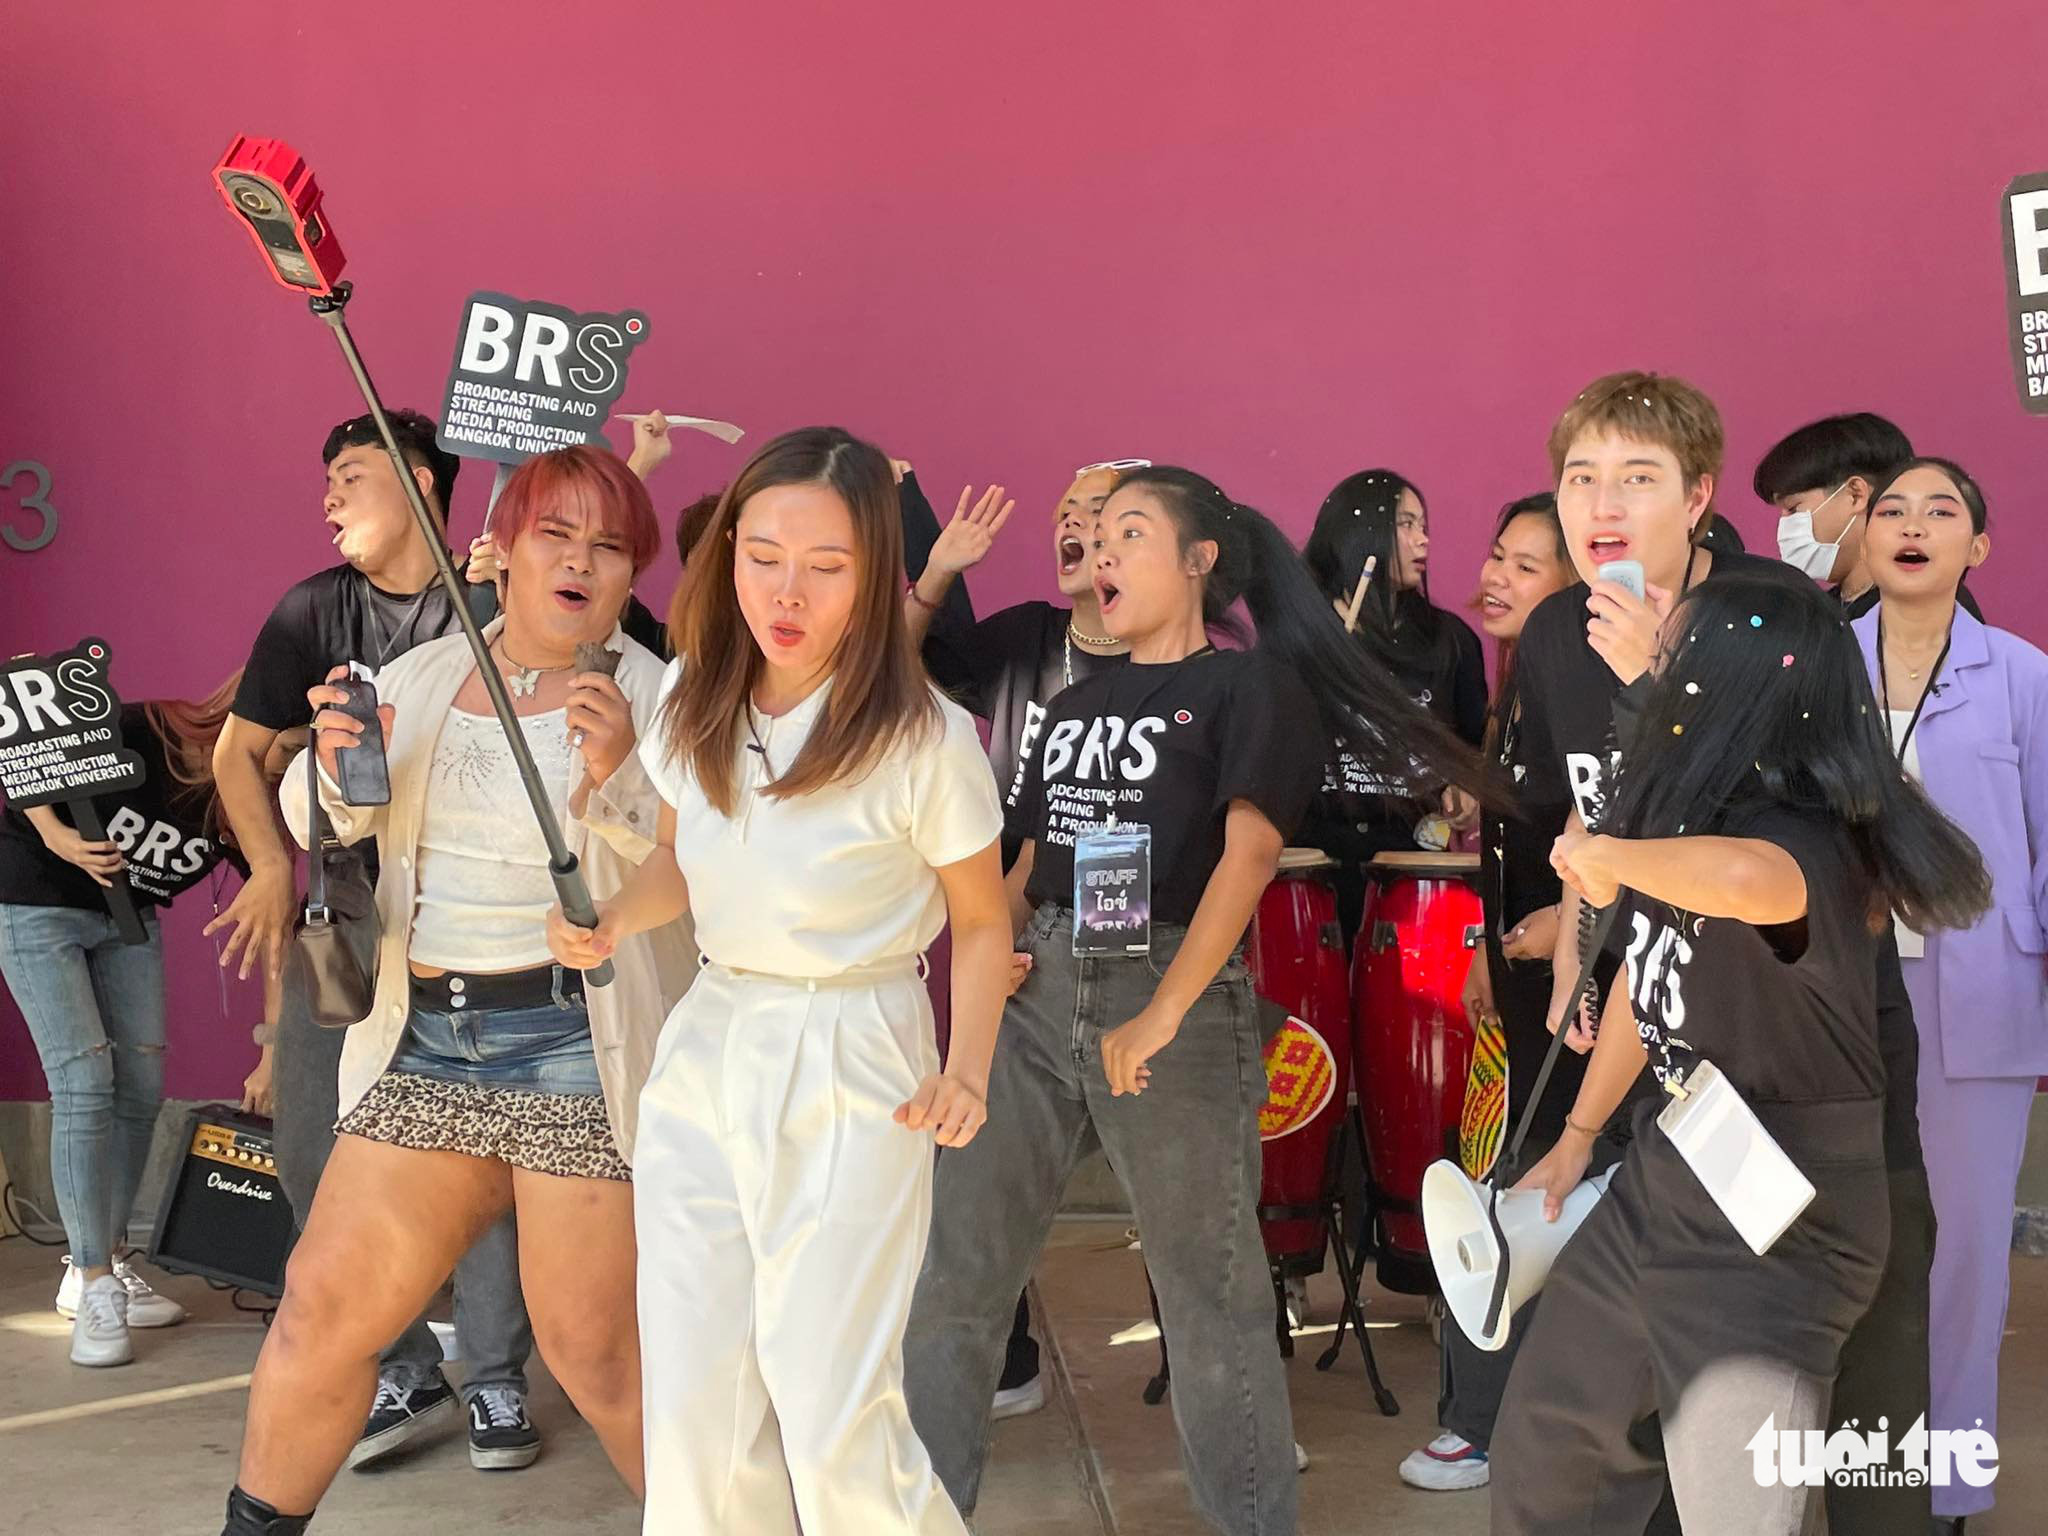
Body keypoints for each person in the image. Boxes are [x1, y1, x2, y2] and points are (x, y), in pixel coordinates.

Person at [903, 465, 1483, 1536]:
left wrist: (1163, 1010)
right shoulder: (1072, 702)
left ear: (1198, 561)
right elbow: (1021, 871)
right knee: (955, 1282)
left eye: (1131, 533)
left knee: (1206, 1297)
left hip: (1168, 990)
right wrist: (973, 1029)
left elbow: (1249, 855)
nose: (1102, 552)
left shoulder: (1248, 689)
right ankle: (916, 1517)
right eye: (1097, 537)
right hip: (1038, 990)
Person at [217, 445, 690, 1536]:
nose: (578, 560)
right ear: (504, 550)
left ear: (631, 577)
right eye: (554, 535)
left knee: (596, 1355)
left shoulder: (663, 701)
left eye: (608, 546)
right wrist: (333, 771)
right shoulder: (425, 673)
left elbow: (709, 871)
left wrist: (622, 775)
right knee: (319, 1315)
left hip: (577, 1048)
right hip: (426, 1037)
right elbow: (324, 822)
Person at [546, 425, 1010, 1534]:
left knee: (829, 1400)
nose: (786, 591)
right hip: (710, 1040)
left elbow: (982, 922)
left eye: (827, 565)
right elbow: (678, 862)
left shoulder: (923, 736)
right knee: (696, 1397)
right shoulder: (693, 697)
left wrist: (967, 1070)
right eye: (762, 555)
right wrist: (614, 917)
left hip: (858, 1048)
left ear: (877, 574)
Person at [1491, 575, 1990, 1535]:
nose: (1654, 675)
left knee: (1741, 1509)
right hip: (1666, 1180)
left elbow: (1754, 882)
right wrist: (1579, 1136)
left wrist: (1615, 860)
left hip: (1782, 1222)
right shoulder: (1690, 820)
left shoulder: (1805, 839)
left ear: (1730, 688)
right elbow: (1652, 976)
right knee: (1552, 1445)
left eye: (1675, 659)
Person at [209, 407, 538, 1472]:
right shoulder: (313, 608)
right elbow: (237, 754)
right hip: (343, 924)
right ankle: (405, 1367)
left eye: (352, 475)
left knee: (485, 1156)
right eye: (329, 479)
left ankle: (494, 1382)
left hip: (475, 928)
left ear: (424, 485)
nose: (329, 496)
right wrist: (269, 863)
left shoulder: (495, 595)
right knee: (311, 1142)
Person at [915, 459, 1139, 1416]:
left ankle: (1217, 1384)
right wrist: (936, 572)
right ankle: (1003, 1356)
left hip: (1121, 932)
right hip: (1004, 925)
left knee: (1163, 1176)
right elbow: (901, 663)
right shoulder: (1027, 638)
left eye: (1100, 512)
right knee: (978, 1157)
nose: (1074, 525)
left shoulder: (1172, 661)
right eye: (1065, 511)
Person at [1854, 457, 2048, 1534]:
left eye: (1941, 512)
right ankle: (1856, 1471)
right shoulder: (1816, 668)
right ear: (1863, 540)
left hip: (1977, 999)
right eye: (1890, 509)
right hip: (1839, 995)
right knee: (1855, 1236)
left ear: (1974, 548)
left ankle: (1949, 1485)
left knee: (1965, 1253)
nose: (1913, 525)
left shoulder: (2022, 675)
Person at [0, 672, 283, 1366]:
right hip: (35, 899)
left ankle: (104, 1256)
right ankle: (91, 1278)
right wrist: (59, 837)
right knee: (85, 1077)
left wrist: (272, 1047)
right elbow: (22, 749)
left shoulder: (248, 809)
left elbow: (282, 930)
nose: (288, 767)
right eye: (288, 747)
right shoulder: (143, 730)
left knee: (142, 1084)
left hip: (127, 918)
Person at [1397, 492, 1578, 1491]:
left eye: (1524, 564)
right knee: (1493, 1181)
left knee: (1533, 1193)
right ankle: (1483, 1412)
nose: (1492, 579)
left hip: (1579, 999)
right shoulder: (1515, 687)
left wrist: (1567, 931)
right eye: (1496, 556)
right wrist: (1486, 942)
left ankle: (1488, 1420)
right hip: (1515, 989)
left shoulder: (1584, 691)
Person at [1299, 469, 1488, 942]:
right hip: (1309, 873)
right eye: (1406, 524)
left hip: (1410, 872)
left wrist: (1466, 786)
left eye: (1424, 526)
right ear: (1359, 531)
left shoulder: (1450, 642)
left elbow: (1472, 747)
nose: (1422, 541)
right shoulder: (1302, 638)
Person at [1756, 410, 1983, 624]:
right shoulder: (1823, 612)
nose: (1784, 526)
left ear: (1856, 494)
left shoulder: (1926, 608)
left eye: (1793, 509)